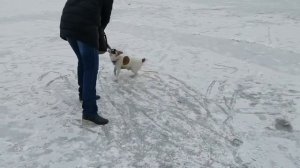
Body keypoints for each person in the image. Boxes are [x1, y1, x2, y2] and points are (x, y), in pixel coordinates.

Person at [60, 0, 114, 125]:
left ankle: (83, 94)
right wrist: (98, 32)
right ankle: (89, 112)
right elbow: (105, 17)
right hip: (84, 29)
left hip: (68, 25)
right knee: (91, 68)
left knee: (83, 61)